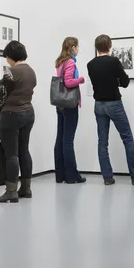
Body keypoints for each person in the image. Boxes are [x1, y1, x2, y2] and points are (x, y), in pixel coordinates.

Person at [87, 35, 134, 186]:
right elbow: (125, 82)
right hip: (114, 104)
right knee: (127, 139)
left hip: (98, 105)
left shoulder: (90, 64)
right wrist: (116, 81)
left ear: (97, 47)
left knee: (102, 142)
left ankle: (107, 177)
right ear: (110, 46)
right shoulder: (114, 61)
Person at [0, 41, 37, 202]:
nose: (6, 60)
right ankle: (26, 188)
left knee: (11, 154)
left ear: (11, 56)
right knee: (24, 150)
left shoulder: (10, 72)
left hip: (11, 114)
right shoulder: (31, 71)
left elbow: (1, 96)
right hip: (28, 113)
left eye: (7, 57)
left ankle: (11, 191)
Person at [54, 37, 86, 184]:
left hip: (60, 104)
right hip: (69, 105)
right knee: (68, 141)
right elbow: (68, 82)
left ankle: (60, 175)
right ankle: (72, 176)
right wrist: (81, 79)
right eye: (77, 46)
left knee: (60, 139)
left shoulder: (60, 62)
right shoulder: (71, 62)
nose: (78, 49)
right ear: (73, 47)